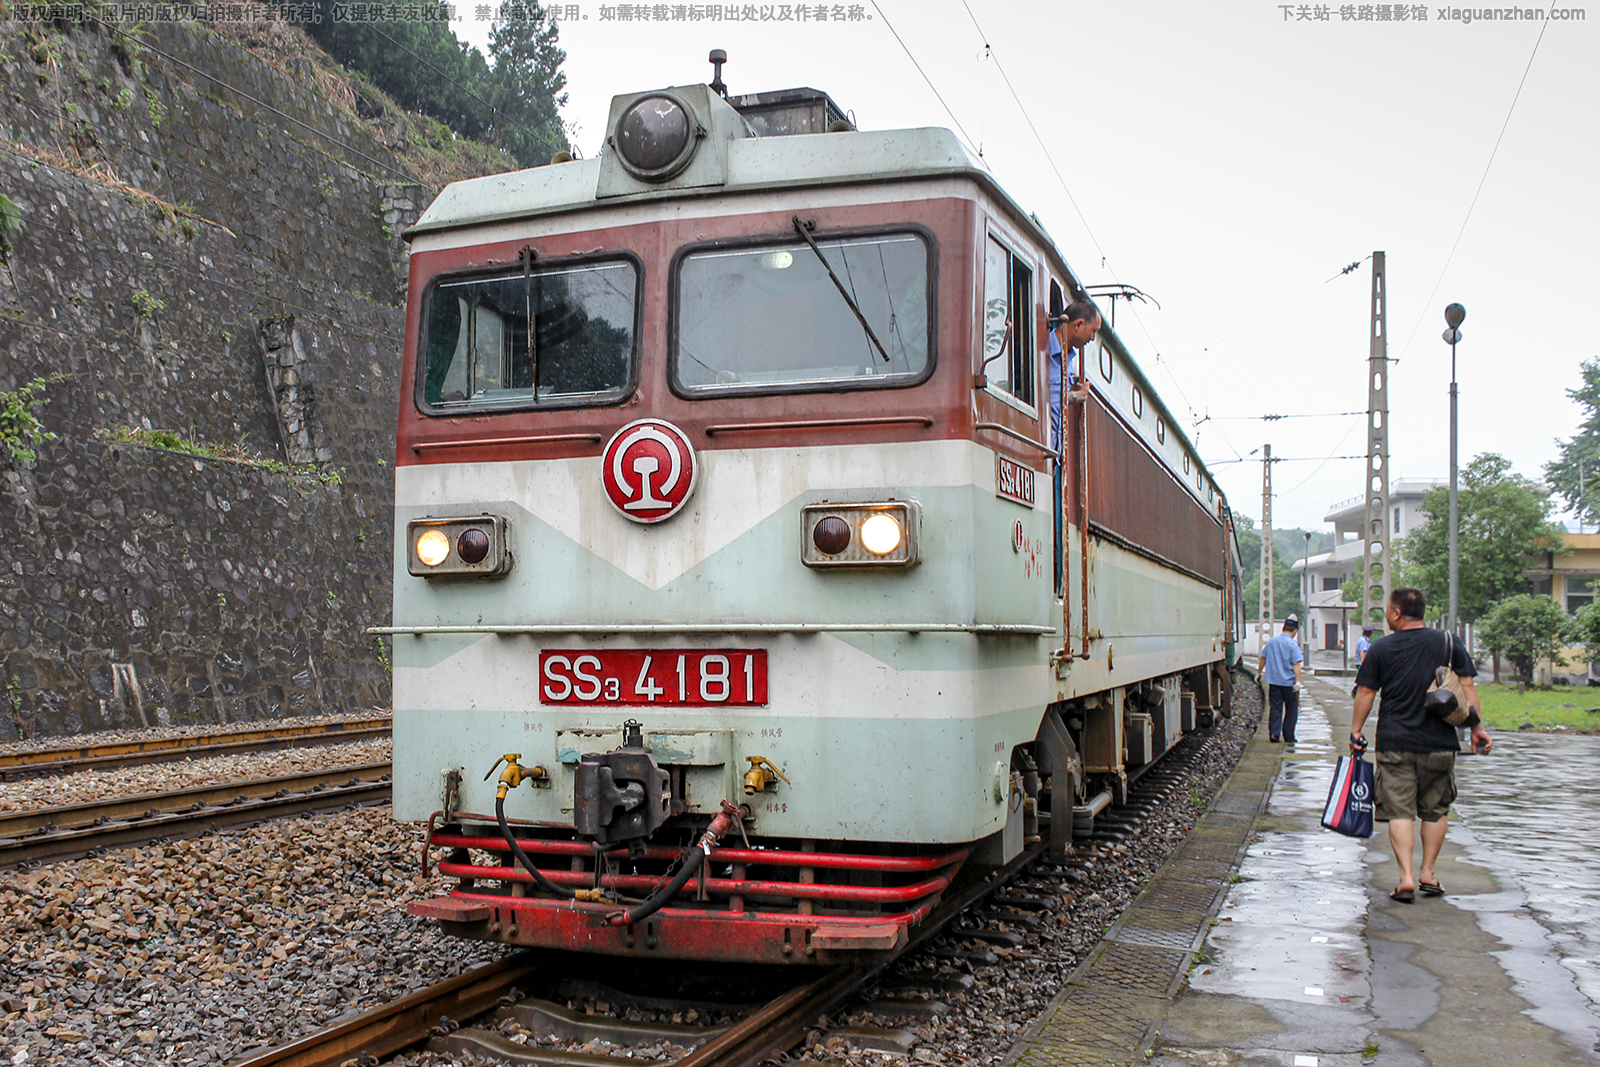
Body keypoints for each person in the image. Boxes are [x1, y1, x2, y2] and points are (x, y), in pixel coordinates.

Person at [1349, 588, 1493, 904]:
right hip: (1440, 742)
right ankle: (1428, 872)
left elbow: (1366, 694)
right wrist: (1477, 728)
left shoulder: (1381, 648)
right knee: (1435, 809)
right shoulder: (1448, 642)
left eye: (1388, 609)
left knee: (1399, 810)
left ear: (1397, 612)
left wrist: (1356, 730)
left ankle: (1406, 878)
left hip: (1395, 741)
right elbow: (1466, 687)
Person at [1047, 297, 1102, 595]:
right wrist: (1072, 398)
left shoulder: (1069, 358)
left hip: (1055, 455)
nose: (1092, 339)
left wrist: (1072, 392)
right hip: (1041, 451)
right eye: (1092, 332)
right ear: (1077, 324)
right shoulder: (1041, 351)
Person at [1260, 614, 1304, 743]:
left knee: (1275, 708)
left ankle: (1274, 734)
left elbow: (1263, 658)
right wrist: (1298, 681)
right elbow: (1296, 664)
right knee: (1291, 710)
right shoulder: (1293, 645)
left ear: (1283, 628)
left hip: (1274, 682)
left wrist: (1259, 673)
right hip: (1289, 683)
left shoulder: (1272, 641)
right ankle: (1288, 736)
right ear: (1295, 631)